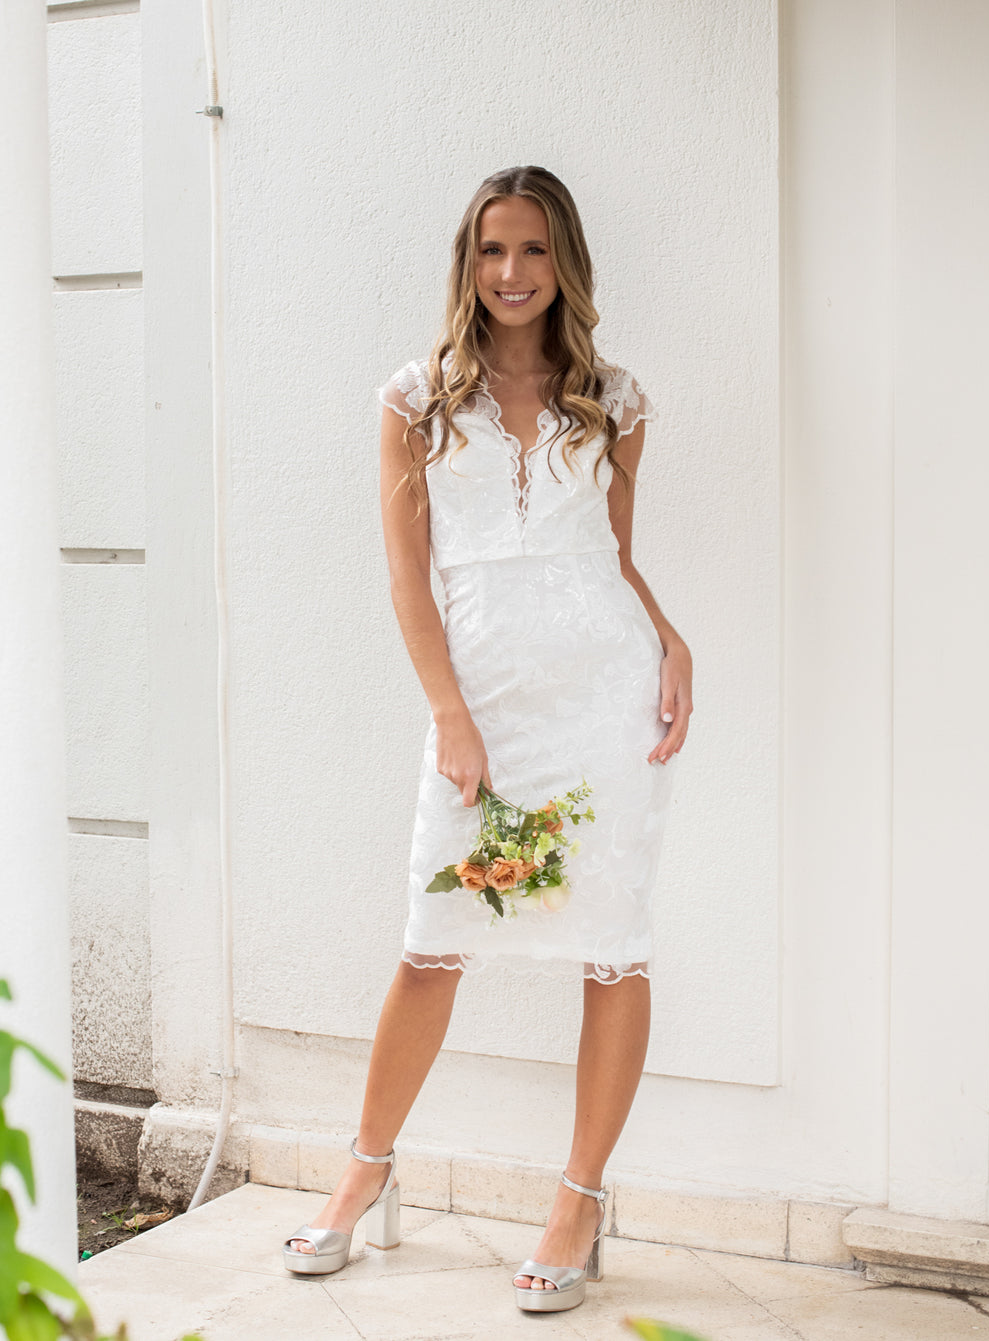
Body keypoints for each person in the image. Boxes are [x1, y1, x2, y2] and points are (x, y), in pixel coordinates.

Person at [283, 165, 693, 1315]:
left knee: (613, 944)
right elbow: (406, 575)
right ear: (468, 263)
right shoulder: (416, 399)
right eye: (492, 252)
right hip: (483, 698)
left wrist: (670, 639)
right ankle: (363, 1170)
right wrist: (448, 714)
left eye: (535, 253)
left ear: (567, 264)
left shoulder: (615, 396)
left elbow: (611, 554)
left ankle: (578, 1196)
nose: (512, 276)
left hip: (606, 695)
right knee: (431, 939)